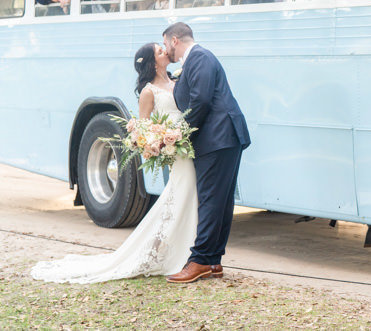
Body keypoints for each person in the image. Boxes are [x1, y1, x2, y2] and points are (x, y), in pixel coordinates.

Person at [31, 43, 198, 283]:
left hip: (187, 145)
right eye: (160, 51)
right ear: (152, 63)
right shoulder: (149, 92)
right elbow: (143, 128)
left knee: (184, 195)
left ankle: (185, 248)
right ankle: (175, 252)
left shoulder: (175, 81)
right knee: (181, 194)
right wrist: (159, 142)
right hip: (176, 149)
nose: (165, 52)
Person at [163, 22, 251, 283]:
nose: (166, 49)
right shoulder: (196, 60)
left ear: (175, 40)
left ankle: (200, 260)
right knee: (220, 201)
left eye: (166, 43)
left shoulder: (199, 57)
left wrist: (182, 133)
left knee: (211, 200)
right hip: (222, 137)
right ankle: (213, 261)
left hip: (217, 137)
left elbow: (200, 101)